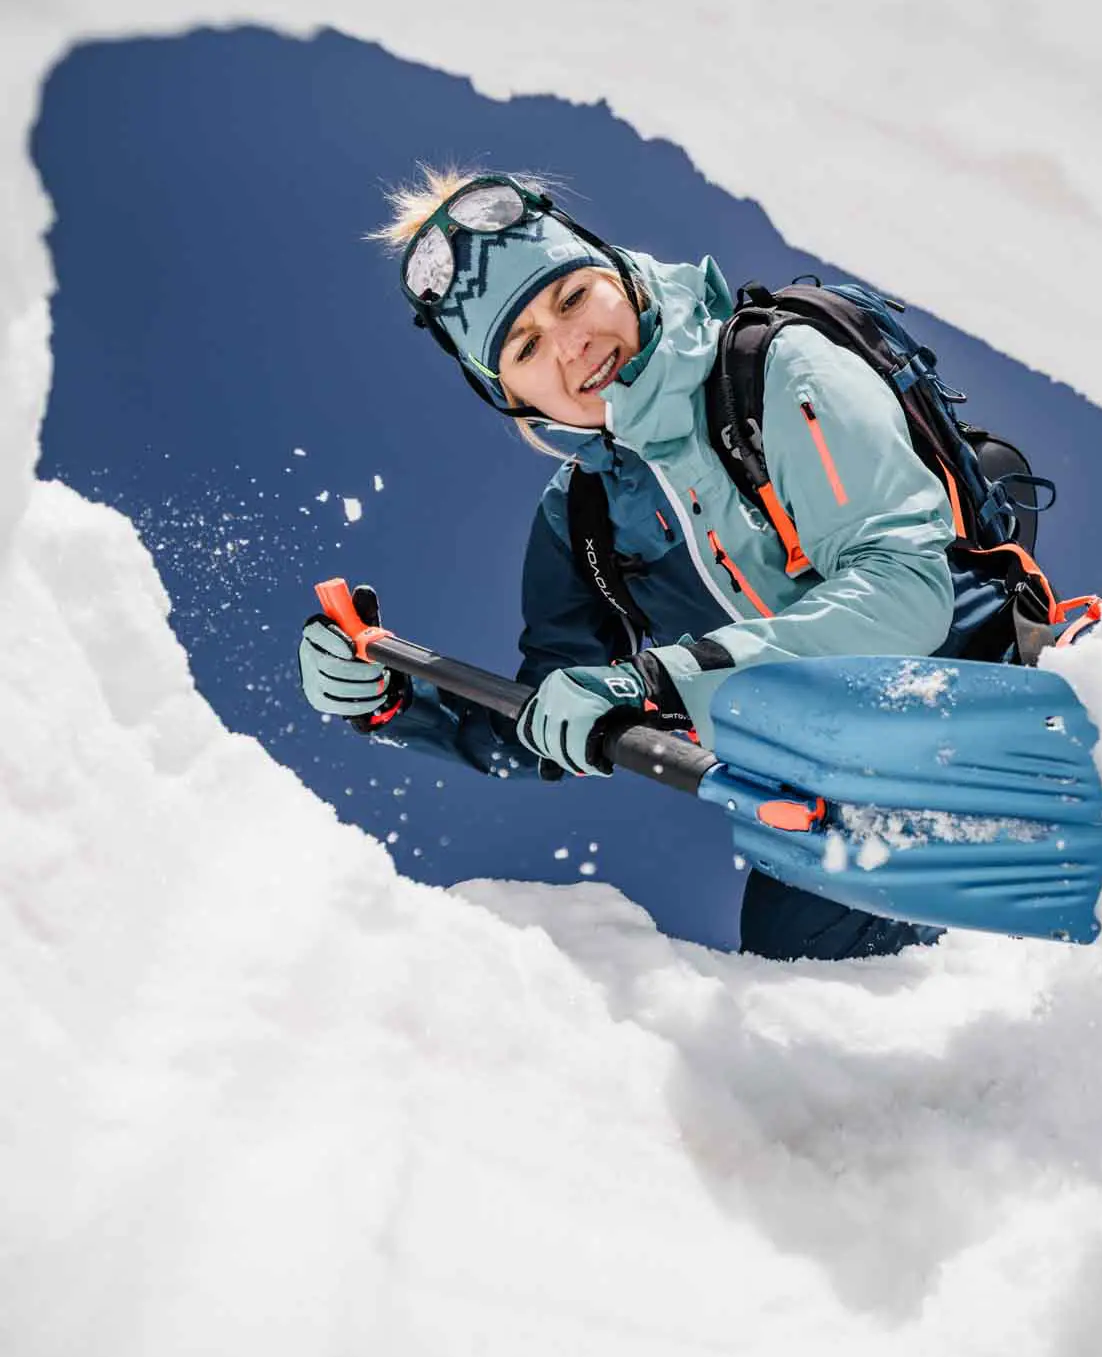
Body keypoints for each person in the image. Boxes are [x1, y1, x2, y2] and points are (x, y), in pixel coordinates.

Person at [297, 169, 985, 961]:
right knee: (801, 959)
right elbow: (548, 720)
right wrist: (393, 701)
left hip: (980, 700)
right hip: (854, 789)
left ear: (618, 273)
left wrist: (657, 682)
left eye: (570, 298)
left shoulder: (777, 370)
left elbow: (904, 590)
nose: (571, 345)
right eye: (523, 347)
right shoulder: (583, 514)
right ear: (509, 396)